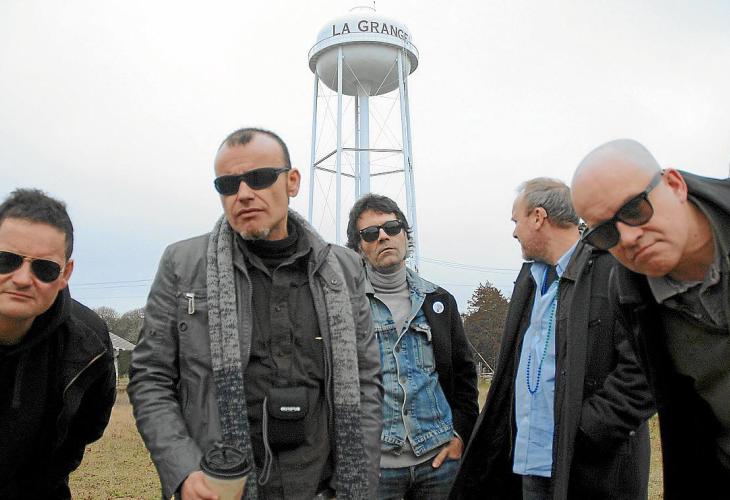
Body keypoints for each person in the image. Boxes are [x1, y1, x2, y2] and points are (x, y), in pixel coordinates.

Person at [128, 127, 382, 500]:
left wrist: (359, 481)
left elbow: (367, 380)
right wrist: (183, 471)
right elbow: (150, 378)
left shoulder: (343, 268)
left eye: (260, 178)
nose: (244, 193)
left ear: (292, 182)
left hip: (323, 486)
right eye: (228, 184)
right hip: (223, 485)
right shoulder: (183, 265)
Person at [450, 178, 654, 499]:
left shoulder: (615, 270)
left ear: (538, 217)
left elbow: (645, 370)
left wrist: (584, 430)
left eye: (516, 221)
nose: (514, 233)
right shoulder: (530, 281)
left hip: (591, 472)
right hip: (531, 467)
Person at [571, 139, 730, 498]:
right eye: (605, 232)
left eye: (634, 209)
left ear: (674, 184)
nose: (628, 237)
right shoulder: (630, 293)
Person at [345, 193, 479, 499]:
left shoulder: (438, 302)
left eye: (392, 228)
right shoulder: (346, 305)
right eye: (370, 233)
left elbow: (464, 378)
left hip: (439, 462)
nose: (383, 236)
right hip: (375, 467)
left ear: (405, 235)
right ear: (358, 247)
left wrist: (459, 435)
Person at [0, 188, 116, 499]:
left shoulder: (89, 343)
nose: (22, 279)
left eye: (45, 268)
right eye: (7, 260)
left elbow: (86, 429)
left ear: (66, 273)